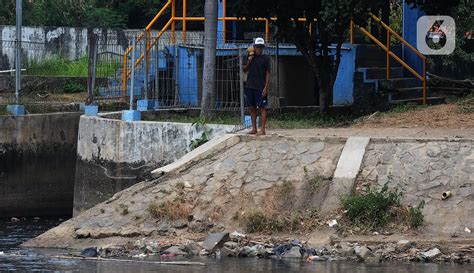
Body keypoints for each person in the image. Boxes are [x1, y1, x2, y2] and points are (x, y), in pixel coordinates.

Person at [243, 37, 271, 135]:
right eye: (257, 47)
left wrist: (266, 87)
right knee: (252, 107)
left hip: (260, 86)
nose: (259, 49)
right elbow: (245, 69)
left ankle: (262, 129)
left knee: (262, 108)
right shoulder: (249, 57)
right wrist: (249, 61)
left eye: (260, 47)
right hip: (250, 86)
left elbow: (268, 73)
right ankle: (254, 128)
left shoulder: (266, 59)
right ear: (254, 47)